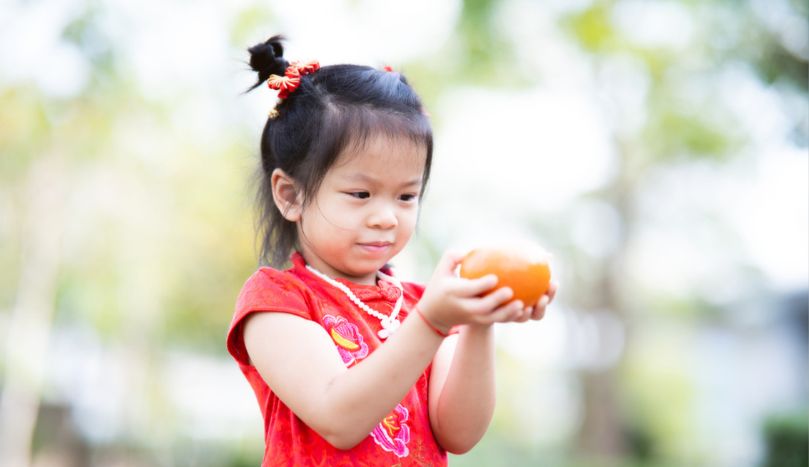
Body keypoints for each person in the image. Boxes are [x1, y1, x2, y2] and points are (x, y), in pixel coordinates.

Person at [226, 34, 558, 466]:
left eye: (406, 197)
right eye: (361, 194)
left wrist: (477, 324)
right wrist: (433, 322)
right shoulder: (277, 300)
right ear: (291, 195)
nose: (387, 217)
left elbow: (458, 433)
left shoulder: (422, 305)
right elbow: (337, 417)